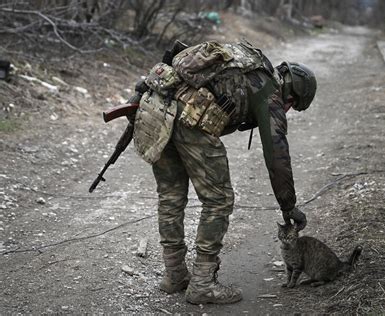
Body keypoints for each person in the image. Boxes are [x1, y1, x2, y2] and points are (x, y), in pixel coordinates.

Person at [133, 40, 317, 304]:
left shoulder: (247, 61)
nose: (287, 109)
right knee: (218, 200)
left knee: (171, 195)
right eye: (292, 104)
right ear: (291, 91)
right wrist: (288, 206)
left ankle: (174, 275)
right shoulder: (268, 89)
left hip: (159, 107)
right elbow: (277, 154)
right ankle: (203, 285)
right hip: (191, 117)